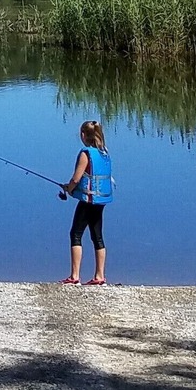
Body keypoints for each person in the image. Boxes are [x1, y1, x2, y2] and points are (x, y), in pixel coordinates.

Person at [59, 120, 114, 285]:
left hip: (88, 200)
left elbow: (76, 178)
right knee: (97, 236)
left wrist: (68, 188)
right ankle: (100, 276)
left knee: (75, 234)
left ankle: (74, 276)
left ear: (83, 135)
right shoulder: (104, 152)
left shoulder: (86, 153)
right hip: (100, 200)